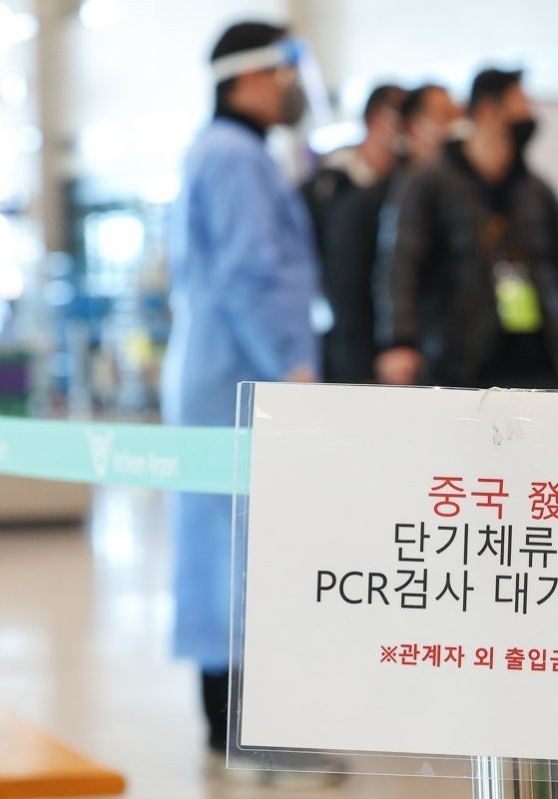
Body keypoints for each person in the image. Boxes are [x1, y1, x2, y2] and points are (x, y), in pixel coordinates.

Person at [161, 21, 319, 763]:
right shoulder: (233, 157)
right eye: (283, 72)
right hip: (241, 380)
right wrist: (292, 366)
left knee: (226, 550)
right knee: (243, 554)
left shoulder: (224, 151)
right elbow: (250, 273)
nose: (292, 88)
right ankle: (246, 734)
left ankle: (235, 728)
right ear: (248, 78)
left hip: (219, 377)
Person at [375, 68, 558, 389]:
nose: (529, 115)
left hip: (541, 362)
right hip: (460, 363)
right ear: (488, 110)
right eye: (519, 105)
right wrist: (399, 341)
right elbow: (401, 265)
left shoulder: (536, 190)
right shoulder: (430, 183)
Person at [303, 84, 406, 383]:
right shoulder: (328, 187)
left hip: (389, 341)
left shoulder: (409, 186)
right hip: (342, 338)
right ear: (376, 119)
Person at [372, 83, 461, 349]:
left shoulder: (464, 198)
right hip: (413, 352)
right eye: (444, 115)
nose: (455, 125)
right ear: (412, 126)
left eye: (458, 114)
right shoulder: (378, 199)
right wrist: (398, 343)